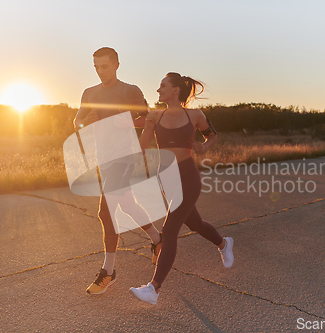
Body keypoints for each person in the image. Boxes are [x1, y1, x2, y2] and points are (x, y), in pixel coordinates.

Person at [129, 72, 234, 305]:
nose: (158, 90)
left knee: (170, 229)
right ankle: (224, 243)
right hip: (167, 178)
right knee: (195, 224)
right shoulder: (155, 116)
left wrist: (205, 146)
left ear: (175, 90)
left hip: (188, 175)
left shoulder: (196, 115)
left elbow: (212, 135)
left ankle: (153, 288)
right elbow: (143, 146)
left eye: (162, 86)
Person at [73, 47, 162, 295]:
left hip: (125, 158)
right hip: (105, 160)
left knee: (105, 212)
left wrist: (131, 122)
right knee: (127, 205)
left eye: (105, 66)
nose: (100, 71)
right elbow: (77, 121)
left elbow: (149, 120)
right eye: (96, 67)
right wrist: (85, 122)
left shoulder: (130, 91)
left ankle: (108, 271)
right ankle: (158, 239)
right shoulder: (89, 93)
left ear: (116, 65)